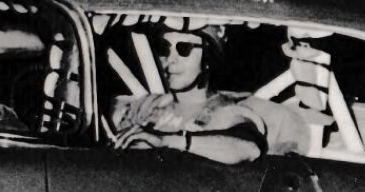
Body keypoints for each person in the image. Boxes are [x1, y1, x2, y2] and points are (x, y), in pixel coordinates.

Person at [111, 22, 266, 164]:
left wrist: (165, 141)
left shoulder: (227, 112)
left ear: (208, 57)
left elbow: (250, 148)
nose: (170, 59)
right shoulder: (146, 106)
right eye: (164, 47)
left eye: (184, 48)